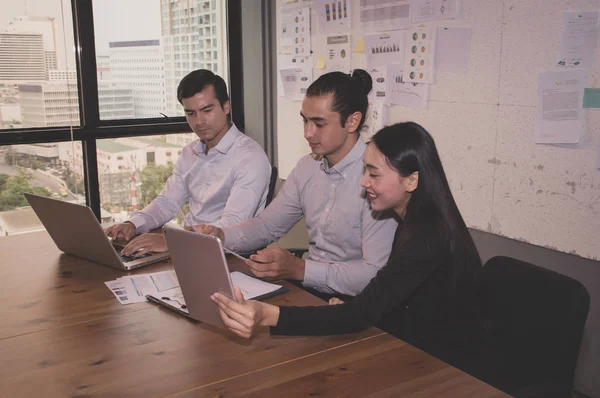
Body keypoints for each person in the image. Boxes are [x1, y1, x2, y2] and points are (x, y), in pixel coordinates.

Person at [211, 122, 484, 373]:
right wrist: (355, 306)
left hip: (441, 368)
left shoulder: (427, 237)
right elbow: (395, 300)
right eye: (365, 170)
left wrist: (266, 315)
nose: (364, 182)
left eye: (374, 174)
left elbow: (364, 314)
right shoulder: (417, 220)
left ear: (411, 180)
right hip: (410, 346)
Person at [195, 70, 397, 298]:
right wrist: (221, 236)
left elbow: (373, 274)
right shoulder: (307, 168)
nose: (307, 133)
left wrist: (300, 269)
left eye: (319, 124)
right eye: (305, 120)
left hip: (357, 301)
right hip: (311, 290)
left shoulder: (377, 179)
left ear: (352, 121)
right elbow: (267, 226)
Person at [105, 69, 271, 256]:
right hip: (187, 250)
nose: (199, 121)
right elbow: (167, 203)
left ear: (226, 107)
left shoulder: (250, 158)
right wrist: (133, 224)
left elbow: (230, 227)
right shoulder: (189, 153)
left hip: (228, 257)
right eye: (191, 113)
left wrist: (173, 241)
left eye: (207, 110)